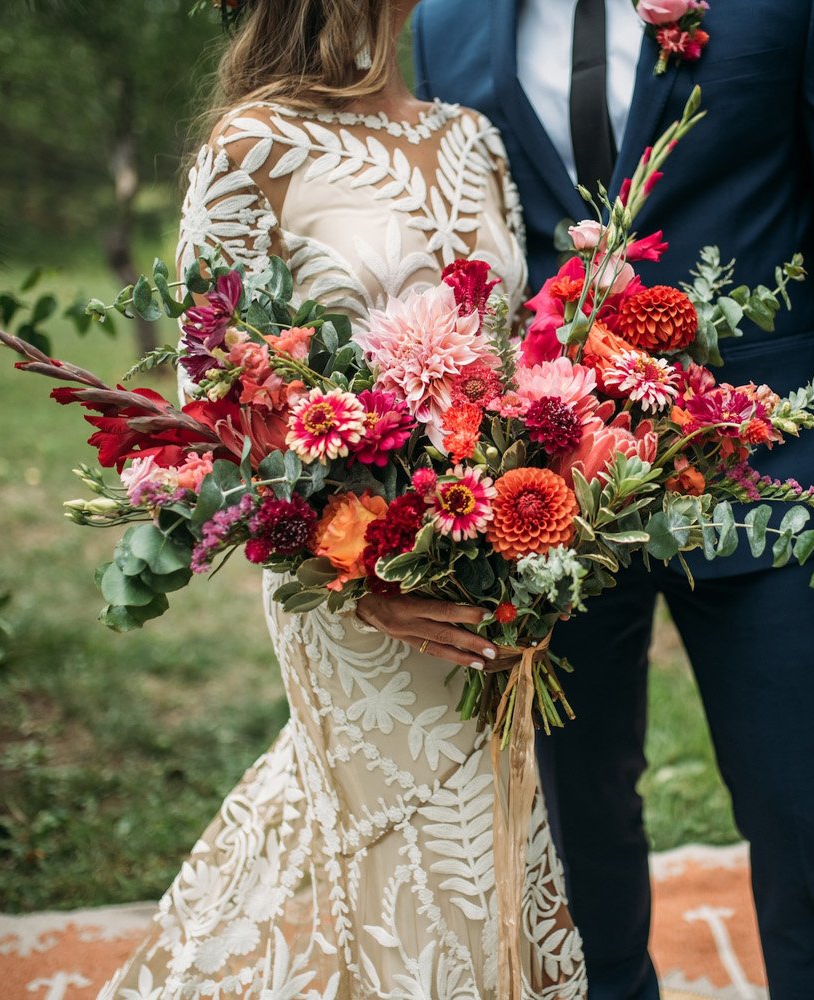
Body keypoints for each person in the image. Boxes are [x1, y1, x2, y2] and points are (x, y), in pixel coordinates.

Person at [412, 1, 814, 997]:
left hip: (761, 469)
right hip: (549, 493)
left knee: (803, 814)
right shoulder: (440, 24)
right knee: (574, 815)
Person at [99, 2, 586, 996]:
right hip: (349, 584)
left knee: (484, 846)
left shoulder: (473, 140)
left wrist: (542, 509)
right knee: (400, 858)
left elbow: (515, 357)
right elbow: (220, 406)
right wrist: (361, 582)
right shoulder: (252, 146)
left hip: (487, 558)